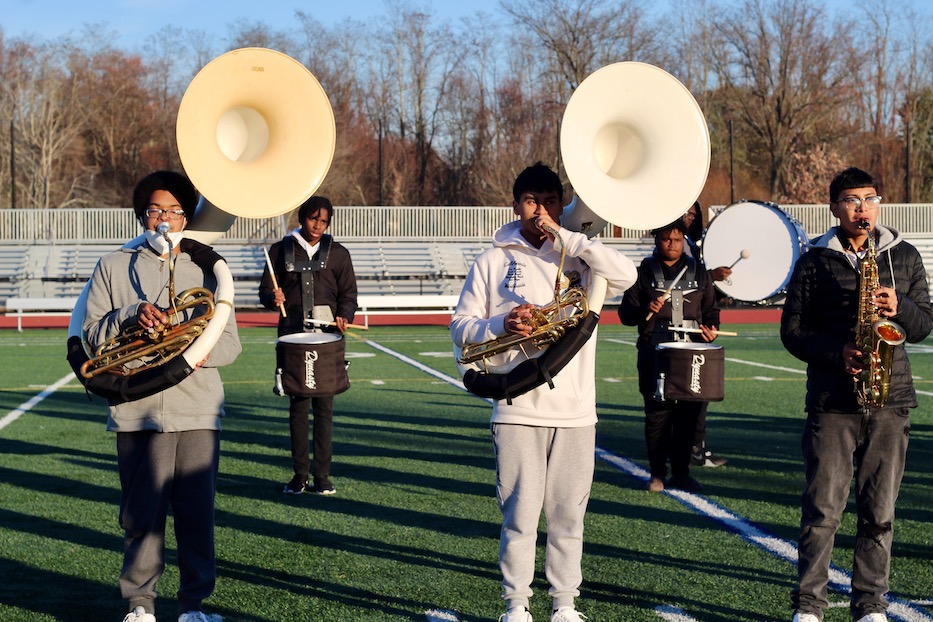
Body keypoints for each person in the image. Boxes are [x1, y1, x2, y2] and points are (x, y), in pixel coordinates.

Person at [450, 163, 637, 622]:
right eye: (532, 201)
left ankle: (564, 604)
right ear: (516, 204)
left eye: (550, 202)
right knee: (520, 515)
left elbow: (627, 274)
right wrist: (502, 323)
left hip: (576, 409)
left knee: (569, 515)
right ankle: (516, 604)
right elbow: (460, 327)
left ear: (561, 204)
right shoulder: (493, 259)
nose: (541, 211)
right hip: (516, 407)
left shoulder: (580, 254)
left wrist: (569, 238)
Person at [83, 171, 242, 622]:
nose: (165, 219)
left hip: (197, 409)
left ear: (187, 216)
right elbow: (93, 336)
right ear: (142, 215)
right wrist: (132, 317)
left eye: (175, 210)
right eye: (156, 210)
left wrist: (187, 345)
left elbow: (229, 344)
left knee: (196, 516)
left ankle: (193, 606)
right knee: (141, 516)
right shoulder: (113, 265)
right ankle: (140, 603)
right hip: (137, 410)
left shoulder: (209, 268)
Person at [781, 167, 932, 622]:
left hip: (890, 401)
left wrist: (898, 307)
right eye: (851, 200)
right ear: (834, 207)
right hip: (833, 403)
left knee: (879, 512)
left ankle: (870, 605)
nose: (862, 208)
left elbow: (924, 323)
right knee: (823, 510)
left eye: (870, 199)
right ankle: (810, 606)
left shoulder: (902, 256)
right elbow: (793, 332)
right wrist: (837, 351)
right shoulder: (813, 260)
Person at [259, 195, 358, 496]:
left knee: (324, 409)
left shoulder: (338, 253)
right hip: (293, 337)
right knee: (298, 407)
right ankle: (299, 476)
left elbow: (349, 294)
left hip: (328, 338)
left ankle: (323, 477)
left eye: (324, 221)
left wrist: (345, 314)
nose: (317, 225)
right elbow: (265, 291)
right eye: (313, 218)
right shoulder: (279, 250)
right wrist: (271, 298)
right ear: (302, 217)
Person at [619, 219, 720, 493]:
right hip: (655, 352)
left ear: (683, 240)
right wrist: (644, 309)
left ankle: (682, 473)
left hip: (692, 354)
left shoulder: (699, 271)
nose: (671, 244)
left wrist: (712, 329)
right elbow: (625, 315)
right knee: (658, 415)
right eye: (666, 239)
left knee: (689, 415)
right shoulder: (642, 271)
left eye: (676, 239)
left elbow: (711, 310)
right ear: (656, 240)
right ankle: (657, 474)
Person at [681, 201, 729, 468]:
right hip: (681, 329)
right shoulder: (677, 242)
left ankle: (695, 446)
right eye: (684, 213)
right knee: (686, 393)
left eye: (692, 213)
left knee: (700, 393)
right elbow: (683, 276)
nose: (689, 217)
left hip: (700, 328)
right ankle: (688, 448)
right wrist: (711, 275)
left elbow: (705, 295)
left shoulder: (696, 242)